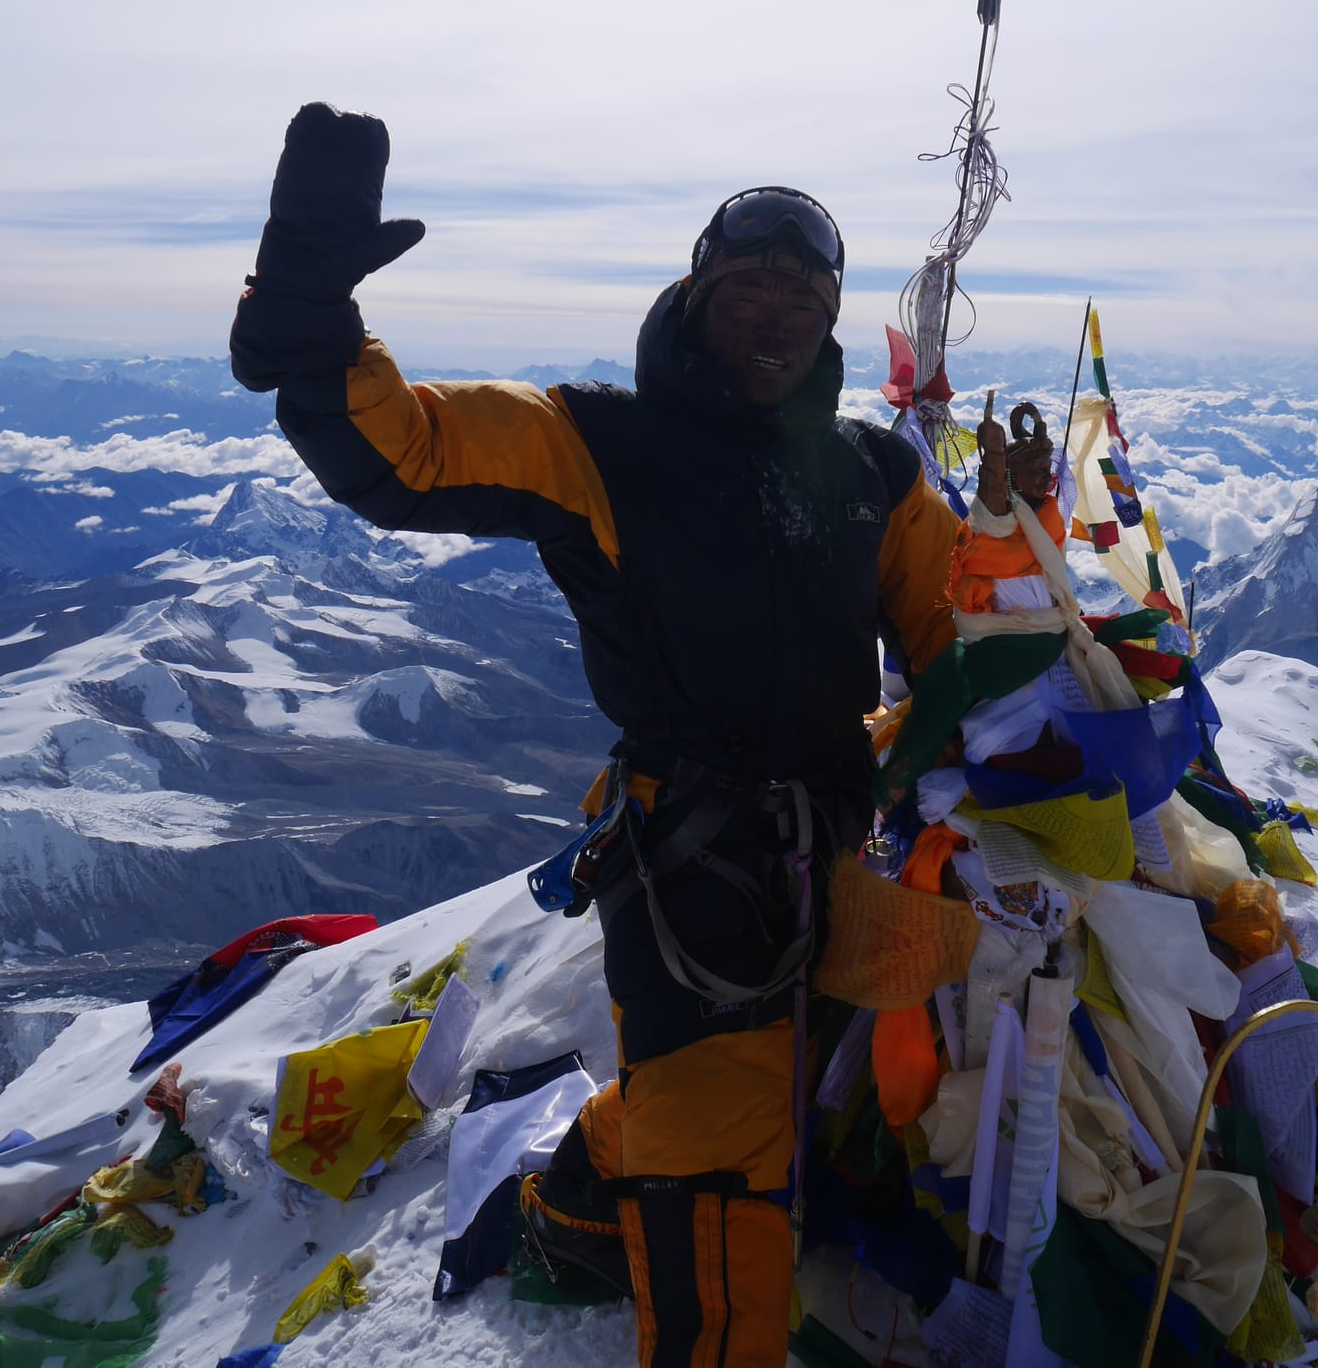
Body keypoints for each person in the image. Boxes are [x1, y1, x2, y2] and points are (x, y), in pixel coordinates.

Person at [230, 103, 961, 1366]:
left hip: (834, 855)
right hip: (697, 872)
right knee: (726, 1182)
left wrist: (1071, 694)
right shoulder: (598, 444)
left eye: (803, 295)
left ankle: (574, 1198)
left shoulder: (872, 479)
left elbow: (960, 637)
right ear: (697, 293)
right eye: (748, 287)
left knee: (795, 1076)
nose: (777, 313)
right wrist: (310, 311)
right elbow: (407, 452)